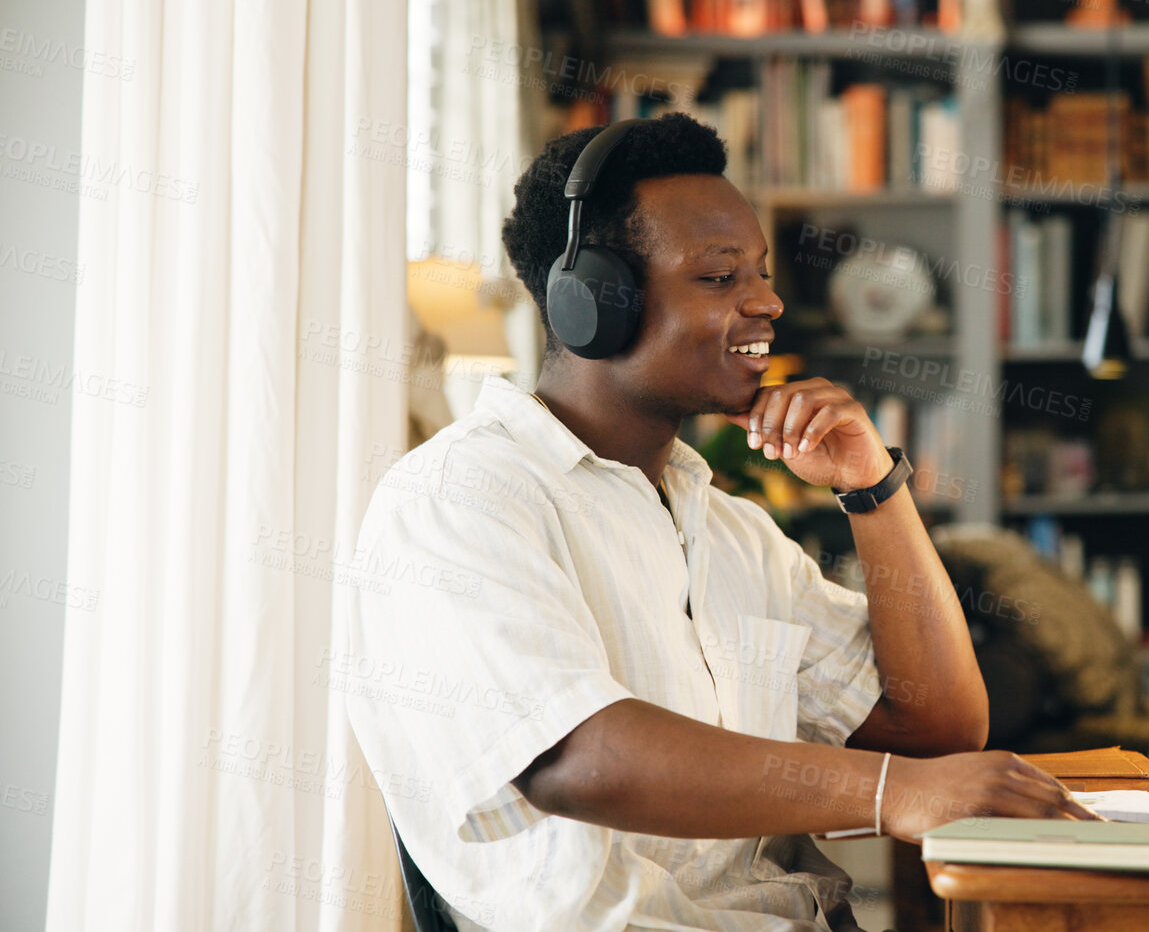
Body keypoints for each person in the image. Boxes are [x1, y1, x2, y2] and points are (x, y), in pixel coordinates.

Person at [340, 114, 1093, 931]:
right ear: (593, 300)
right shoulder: (459, 499)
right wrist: (891, 794)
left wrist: (875, 489)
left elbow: (936, 729)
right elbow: (574, 757)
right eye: (718, 277)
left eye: (760, 273)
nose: (766, 301)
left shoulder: (730, 529)